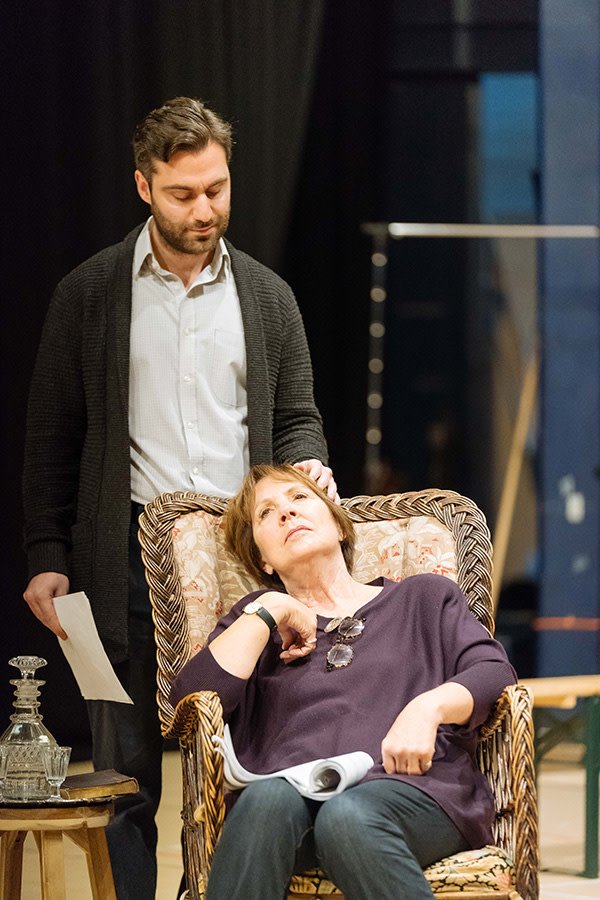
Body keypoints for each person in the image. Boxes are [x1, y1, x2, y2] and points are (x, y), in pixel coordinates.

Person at [22, 98, 336, 900]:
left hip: (245, 564)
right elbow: (52, 436)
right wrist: (48, 556)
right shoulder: (89, 294)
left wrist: (307, 469)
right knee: (125, 779)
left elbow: (297, 415)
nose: (206, 210)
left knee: (251, 765)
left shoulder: (267, 297)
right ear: (143, 186)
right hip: (125, 554)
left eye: (218, 190)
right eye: (184, 194)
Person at [170, 463, 517, 900]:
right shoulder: (255, 624)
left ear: (337, 523)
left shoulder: (421, 597)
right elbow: (192, 699)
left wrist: (428, 707)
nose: (286, 514)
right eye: (266, 513)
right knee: (264, 802)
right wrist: (271, 610)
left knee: (347, 816)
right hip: (288, 807)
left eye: (299, 499)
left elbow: (493, 671)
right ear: (262, 558)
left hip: (412, 793)